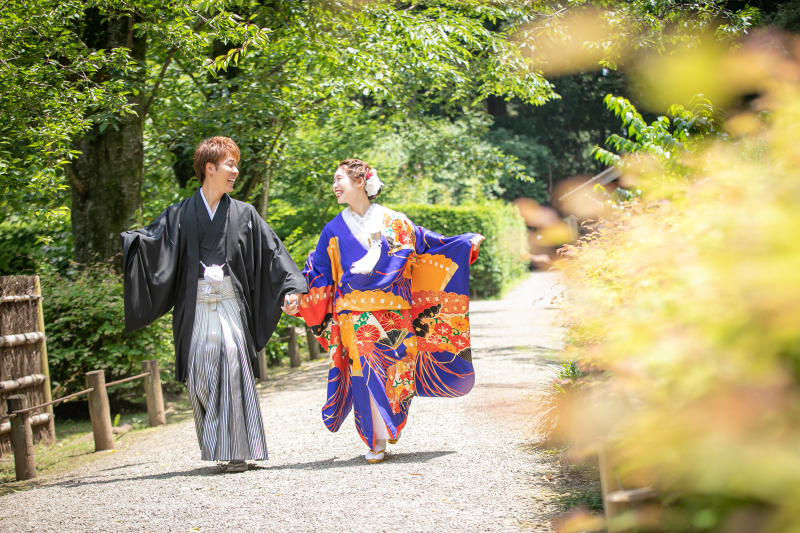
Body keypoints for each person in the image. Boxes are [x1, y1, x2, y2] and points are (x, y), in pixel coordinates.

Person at [121, 136, 307, 472]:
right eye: (230, 164)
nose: (236, 170)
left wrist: (291, 288)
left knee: (232, 363)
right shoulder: (179, 214)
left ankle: (237, 450)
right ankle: (218, 446)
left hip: (229, 307)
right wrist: (129, 244)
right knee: (201, 373)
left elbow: (273, 254)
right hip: (195, 308)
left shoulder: (244, 214)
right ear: (210, 168)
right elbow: (152, 246)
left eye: (236, 164)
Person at [284, 159, 484, 463]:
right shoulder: (333, 229)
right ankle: (376, 440)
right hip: (354, 315)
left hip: (394, 314)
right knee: (365, 371)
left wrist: (463, 242)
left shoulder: (396, 221)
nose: (335, 186)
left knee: (396, 373)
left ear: (361, 181)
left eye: (340, 179)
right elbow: (318, 271)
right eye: (334, 181)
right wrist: (297, 294)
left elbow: (429, 244)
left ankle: (390, 421)